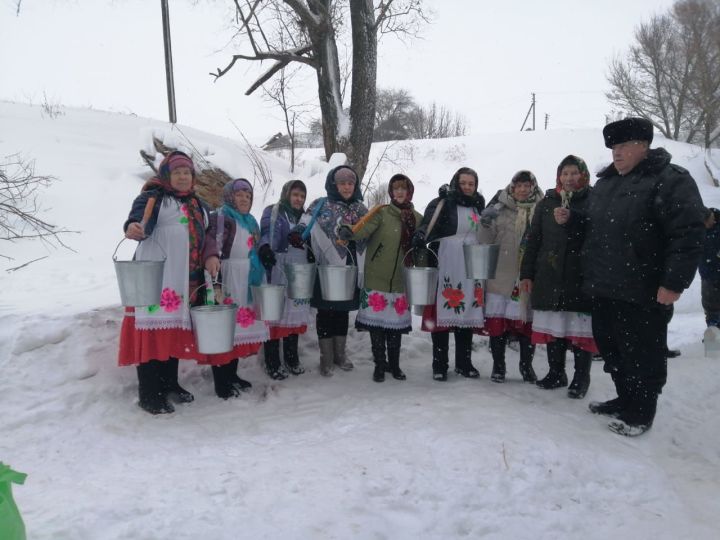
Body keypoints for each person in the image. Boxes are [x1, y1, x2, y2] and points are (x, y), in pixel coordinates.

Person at [558, 117, 704, 436]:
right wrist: (574, 220)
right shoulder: (607, 183)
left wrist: (673, 283)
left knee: (643, 354)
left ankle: (641, 412)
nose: (617, 153)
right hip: (604, 286)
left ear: (644, 146)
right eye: (613, 147)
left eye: (624, 146)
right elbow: (597, 229)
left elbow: (688, 235)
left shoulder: (670, 180)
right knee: (612, 350)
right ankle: (625, 399)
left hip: (644, 289)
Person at [118, 151, 216, 414]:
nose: (183, 177)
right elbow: (137, 219)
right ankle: (149, 393)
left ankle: (169, 383)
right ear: (166, 175)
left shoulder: (198, 204)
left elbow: (209, 235)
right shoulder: (153, 197)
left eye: (187, 173)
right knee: (151, 333)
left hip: (183, 278)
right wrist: (133, 227)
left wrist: (211, 255)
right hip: (155, 277)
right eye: (177, 173)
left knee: (171, 332)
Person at [519, 156, 598, 399]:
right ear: (558, 176)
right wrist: (527, 273)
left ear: (583, 174)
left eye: (574, 173)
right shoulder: (546, 203)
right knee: (555, 327)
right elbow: (534, 241)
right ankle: (557, 373)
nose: (569, 178)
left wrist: (574, 219)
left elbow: (599, 233)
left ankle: (580, 378)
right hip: (550, 274)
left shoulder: (594, 200)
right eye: (565, 173)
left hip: (581, 275)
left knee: (580, 331)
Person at [337, 174, 423, 382]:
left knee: (395, 328)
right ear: (391, 192)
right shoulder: (381, 213)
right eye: (395, 189)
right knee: (377, 327)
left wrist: (425, 263)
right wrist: (348, 231)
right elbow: (362, 229)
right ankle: (379, 364)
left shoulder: (417, 218)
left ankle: (394, 365)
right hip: (377, 277)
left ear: (409, 191)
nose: (399, 192)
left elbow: (420, 249)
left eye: (403, 188)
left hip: (400, 281)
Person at [289, 165, 368, 376]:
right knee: (325, 312)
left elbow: (372, 230)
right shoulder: (320, 204)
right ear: (333, 185)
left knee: (341, 312)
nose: (346, 187)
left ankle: (340, 354)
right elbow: (305, 221)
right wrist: (298, 233)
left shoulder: (361, 209)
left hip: (350, 268)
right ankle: (326, 358)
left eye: (350, 183)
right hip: (325, 267)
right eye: (342, 183)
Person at [411, 167, 486, 381]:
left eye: (471, 184)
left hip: (472, 263)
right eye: (463, 183)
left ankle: (464, 363)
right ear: (455, 182)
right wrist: (420, 236)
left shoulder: (479, 206)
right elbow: (428, 224)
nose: (467, 187)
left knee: (466, 314)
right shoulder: (443, 202)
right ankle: (440, 365)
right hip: (447, 260)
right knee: (442, 316)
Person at [203, 178, 269, 398]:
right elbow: (211, 242)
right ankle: (221, 381)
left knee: (237, 330)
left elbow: (255, 248)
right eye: (240, 194)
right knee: (224, 328)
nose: (244, 199)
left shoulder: (250, 221)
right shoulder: (221, 216)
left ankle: (231, 374)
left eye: (248, 196)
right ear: (230, 195)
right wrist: (216, 272)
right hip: (227, 275)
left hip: (246, 276)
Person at [477, 170, 543, 383]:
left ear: (533, 187)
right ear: (512, 188)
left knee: (526, 326)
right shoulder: (499, 210)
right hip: (500, 276)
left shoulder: (541, 210)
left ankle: (526, 366)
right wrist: (484, 224)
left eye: (527, 185)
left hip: (528, 277)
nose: (523, 189)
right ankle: (498, 366)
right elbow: (485, 242)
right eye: (519, 186)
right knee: (499, 326)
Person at [258, 180, 312, 379]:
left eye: (302, 196)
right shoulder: (274, 211)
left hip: (299, 268)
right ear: (287, 193)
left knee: (294, 314)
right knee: (276, 313)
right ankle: (272, 361)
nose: (299, 199)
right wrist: (264, 247)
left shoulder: (306, 217)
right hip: (278, 265)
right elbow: (265, 233)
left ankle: (291, 357)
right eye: (295, 194)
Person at [700, 207, 720, 328]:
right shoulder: (697, 229)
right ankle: (713, 334)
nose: (706, 225)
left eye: (707, 222)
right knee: (710, 307)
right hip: (708, 275)